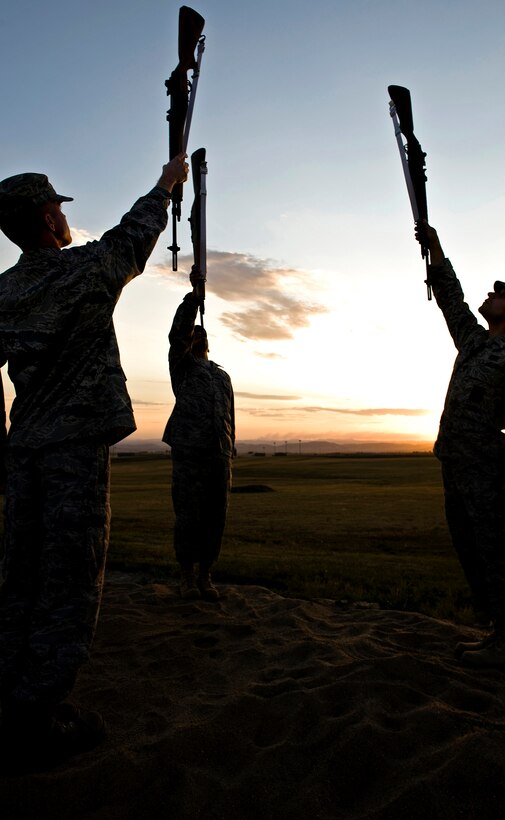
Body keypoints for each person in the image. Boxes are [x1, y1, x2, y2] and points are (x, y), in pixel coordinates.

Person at [0, 153, 189, 766]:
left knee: (20, 576)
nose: (62, 214)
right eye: (56, 205)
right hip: (71, 451)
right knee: (70, 580)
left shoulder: (6, 290)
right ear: (44, 218)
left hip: (23, 450)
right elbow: (135, 236)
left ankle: (8, 691)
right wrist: (167, 182)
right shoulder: (82, 269)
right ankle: (36, 718)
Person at [417, 220, 505, 667]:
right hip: (455, 467)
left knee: (502, 554)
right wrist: (435, 248)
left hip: (491, 472)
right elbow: (451, 299)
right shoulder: (473, 343)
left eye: (503, 293)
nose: (492, 293)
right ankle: (498, 632)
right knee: (472, 552)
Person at [163, 270, 235, 602]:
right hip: (190, 452)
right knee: (188, 517)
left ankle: (206, 574)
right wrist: (194, 296)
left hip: (218, 454)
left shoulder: (221, 376)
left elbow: (229, 416)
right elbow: (177, 335)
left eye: (201, 335)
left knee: (215, 517)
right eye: (195, 335)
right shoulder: (182, 367)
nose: (198, 337)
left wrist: (229, 447)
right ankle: (187, 575)